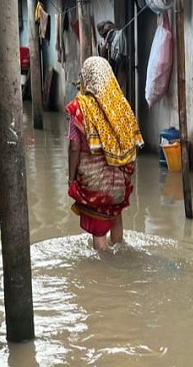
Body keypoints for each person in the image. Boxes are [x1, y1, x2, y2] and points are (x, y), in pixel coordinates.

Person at [66, 56, 144, 250]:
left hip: (94, 181)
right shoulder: (121, 106)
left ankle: (105, 272)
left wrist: (71, 177)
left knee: (99, 229)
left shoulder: (81, 107)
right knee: (115, 216)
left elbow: (74, 147)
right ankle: (120, 253)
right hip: (119, 179)